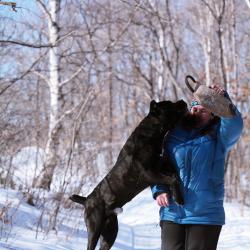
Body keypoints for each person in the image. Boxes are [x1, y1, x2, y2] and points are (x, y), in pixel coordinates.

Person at [151, 85, 244, 250]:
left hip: (205, 214)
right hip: (172, 211)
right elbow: (158, 164)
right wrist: (159, 189)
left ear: (212, 114)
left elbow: (234, 125)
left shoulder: (219, 136)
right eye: (195, 109)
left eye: (204, 111)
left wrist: (223, 100)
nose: (198, 114)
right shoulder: (172, 134)